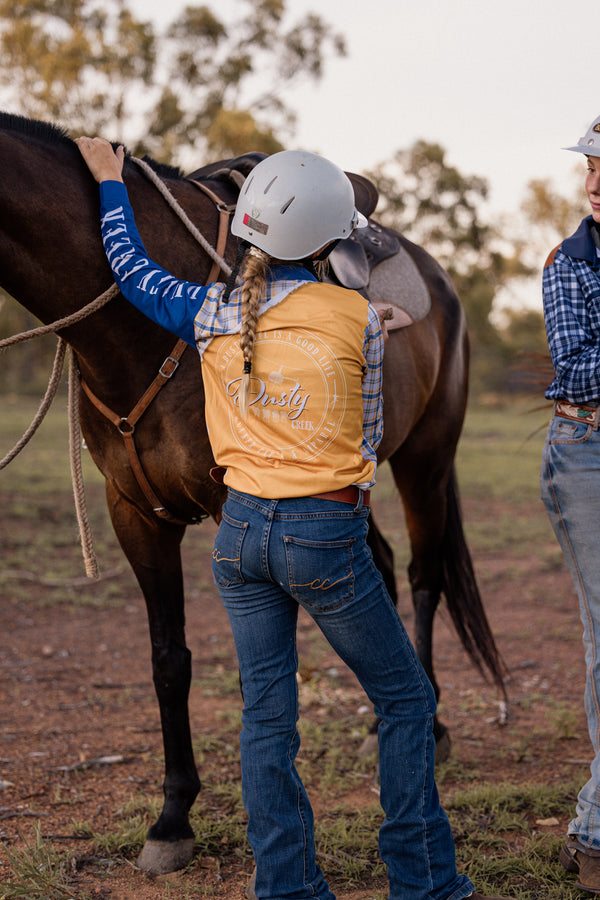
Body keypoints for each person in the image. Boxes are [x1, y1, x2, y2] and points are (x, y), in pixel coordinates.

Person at [76, 136, 512, 900]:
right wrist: (376, 314)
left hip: (239, 538)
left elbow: (131, 269)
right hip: (323, 536)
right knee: (407, 701)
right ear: (329, 243)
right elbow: (372, 427)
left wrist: (113, 184)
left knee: (266, 718)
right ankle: (425, 881)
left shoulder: (209, 311)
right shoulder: (358, 321)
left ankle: (286, 884)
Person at [541, 114, 600, 895]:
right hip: (588, 452)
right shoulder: (570, 264)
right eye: (591, 169)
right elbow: (578, 373)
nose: (593, 184)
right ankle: (595, 833)